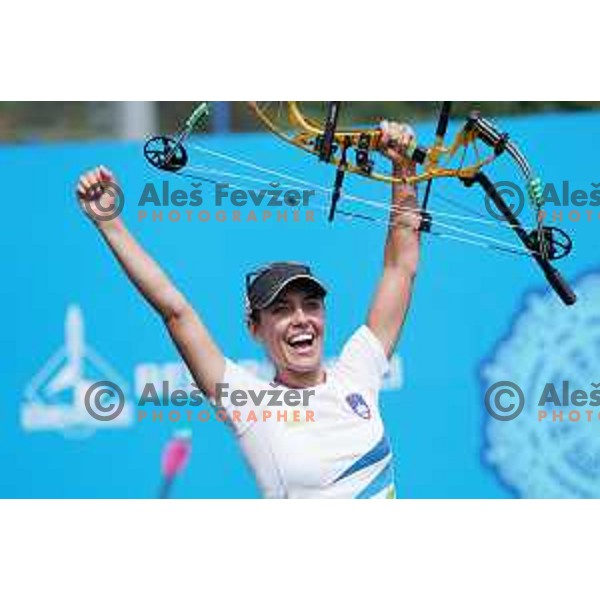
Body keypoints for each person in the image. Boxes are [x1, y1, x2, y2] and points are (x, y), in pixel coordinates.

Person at [76, 121, 422, 499]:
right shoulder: (249, 402)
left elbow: (400, 266)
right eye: (281, 310)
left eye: (311, 304)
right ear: (254, 328)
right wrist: (110, 223)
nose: (302, 319)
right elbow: (175, 311)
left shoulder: (358, 371)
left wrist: (402, 168)